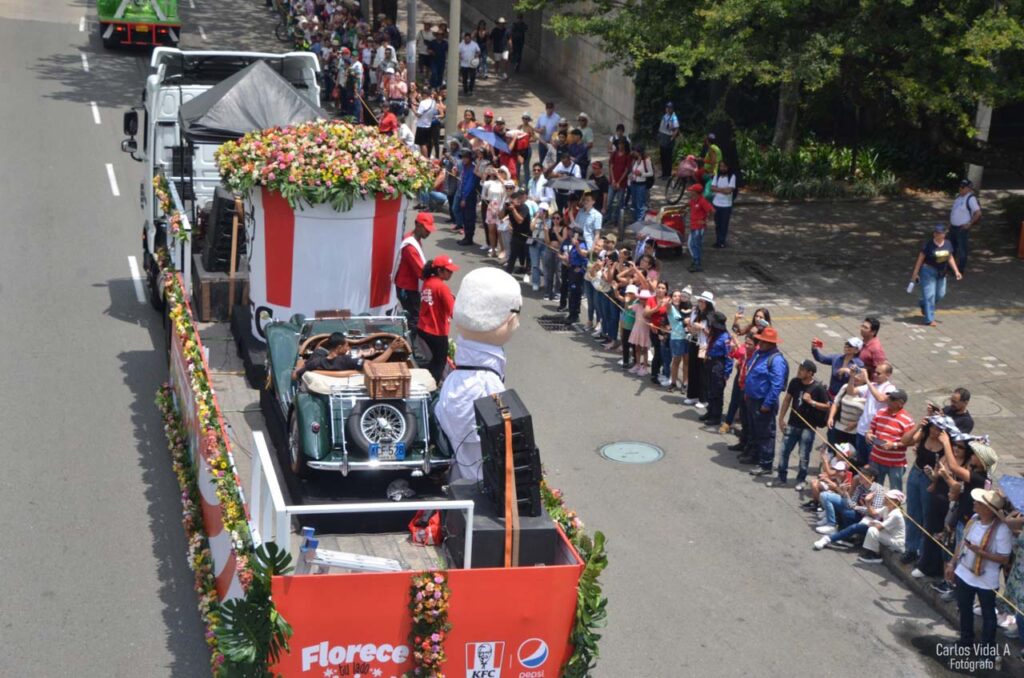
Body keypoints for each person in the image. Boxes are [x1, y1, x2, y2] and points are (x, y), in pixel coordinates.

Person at [946, 489, 1011, 656]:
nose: (974, 503)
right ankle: (965, 641)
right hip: (964, 573)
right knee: (964, 608)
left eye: (979, 503)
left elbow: (1004, 558)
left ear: (989, 510)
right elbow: (962, 544)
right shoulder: (974, 520)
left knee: (989, 615)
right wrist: (952, 564)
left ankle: (987, 650)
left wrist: (980, 552)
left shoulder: (1002, 530)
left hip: (986, 580)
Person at [900, 415, 957, 566]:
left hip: (930, 480)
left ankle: (922, 552)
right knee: (913, 512)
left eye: (938, 428)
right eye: (932, 426)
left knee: (926, 516)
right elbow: (905, 441)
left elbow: (944, 468)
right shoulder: (924, 434)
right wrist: (919, 426)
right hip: (915, 473)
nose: (934, 430)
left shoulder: (946, 447)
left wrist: (934, 478)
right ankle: (910, 549)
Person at [766, 360, 829, 489]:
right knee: (784, 451)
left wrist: (811, 402)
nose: (799, 371)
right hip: (792, 424)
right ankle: (781, 477)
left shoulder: (818, 388)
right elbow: (787, 400)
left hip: (808, 427)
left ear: (810, 373)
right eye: (800, 368)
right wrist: (781, 418)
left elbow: (827, 406)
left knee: (804, 454)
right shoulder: (794, 382)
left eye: (802, 369)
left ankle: (801, 479)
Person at [814, 489, 907, 564]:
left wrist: (873, 523)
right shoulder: (887, 508)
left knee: (872, 530)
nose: (885, 498)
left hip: (895, 541)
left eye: (888, 498)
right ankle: (828, 539)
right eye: (886, 497)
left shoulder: (896, 514)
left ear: (896, 501)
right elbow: (874, 513)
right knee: (857, 527)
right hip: (886, 534)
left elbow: (879, 527)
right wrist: (868, 502)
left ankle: (874, 555)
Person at [742, 327, 789, 476]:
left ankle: (766, 464)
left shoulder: (776, 360)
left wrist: (767, 404)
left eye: (763, 341)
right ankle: (755, 455)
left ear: (770, 343)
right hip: (752, 398)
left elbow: (776, 386)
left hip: (763, 402)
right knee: (755, 430)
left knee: (766, 433)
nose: (760, 342)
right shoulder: (759, 353)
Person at [395, 213, 435, 348]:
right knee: (414, 318)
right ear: (417, 225)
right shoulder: (410, 247)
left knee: (412, 316)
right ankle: (410, 347)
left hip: (407, 285)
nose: (428, 232)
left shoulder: (412, 239)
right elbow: (421, 272)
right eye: (426, 228)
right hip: (408, 287)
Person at [910, 223, 963, 327]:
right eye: (935, 233)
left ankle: (923, 304)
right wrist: (915, 274)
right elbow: (920, 259)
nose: (936, 235)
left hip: (942, 273)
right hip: (928, 271)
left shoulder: (948, 244)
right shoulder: (928, 245)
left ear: (944, 234)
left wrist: (956, 271)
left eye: (939, 233)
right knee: (930, 296)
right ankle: (929, 319)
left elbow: (950, 257)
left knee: (940, 294)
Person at [292, 332, 399, 380]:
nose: (348, 348)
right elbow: (372, 365)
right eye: (347, 345)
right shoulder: (347, 361)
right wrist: (391, 349)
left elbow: (295, 375)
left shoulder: (316, 361)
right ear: (339, 347)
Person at [418, 255, 459, 382]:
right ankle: (432, 389)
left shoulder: (428, 282)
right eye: (448, 270)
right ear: (439, 270)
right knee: (439, 364)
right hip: (437, 331)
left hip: (424, 328)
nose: (451, 273)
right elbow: (453, 311)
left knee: (431, 361)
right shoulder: (442, 287)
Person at [865, 388, 915, 489]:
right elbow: (871, 429)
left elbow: (912, 441)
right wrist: (868, 435)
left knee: (895, 492)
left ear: (900, 403)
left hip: (895, 464)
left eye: (892, 399)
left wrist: (894, 445)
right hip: (876, 459)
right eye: (889, 397)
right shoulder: (880, 413)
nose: (888, 400)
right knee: (874, 490)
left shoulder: (907, 420)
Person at [700, 312, 734, 427]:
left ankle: (716, 416)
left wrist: (727, 373)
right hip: (710, 362)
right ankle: (710, 412)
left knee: (717, 392)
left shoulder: (725, 337)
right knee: (709, 389)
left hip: (718, 365)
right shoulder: (714, 334)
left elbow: (729, 357)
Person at [683, 291, 714, 407]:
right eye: (699, 300)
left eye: (702, 301)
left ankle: (703, 399)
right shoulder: (695, 312)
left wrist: (702, 328)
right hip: (693, 342)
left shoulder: (711, 316)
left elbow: (712, 335)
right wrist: (691, 327)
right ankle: (692, 395)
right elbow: (689, 327)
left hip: (703, 346)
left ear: (707, 304)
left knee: (702, 371)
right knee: (692, 369)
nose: (699, 303)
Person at [948, 178, 982, 273]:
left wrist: (969, 224)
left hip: (962, 228)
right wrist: (950, 223)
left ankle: (960, 270)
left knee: (962, 251)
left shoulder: (971, 198)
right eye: (960, 186)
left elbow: (978, 212)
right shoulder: (958, 198)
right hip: (953, 228)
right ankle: (951, 268)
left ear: (968, 188)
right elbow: (954, 212)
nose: (960, 188)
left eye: (963, 187)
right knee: (951, 249)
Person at [686, 183, 713, 272]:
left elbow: (711, 211)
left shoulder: (702, 201)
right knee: (692, 244)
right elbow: (688, 205)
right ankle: (695, 261)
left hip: (699, 227)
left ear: (696, 192)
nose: (690, 192)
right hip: (693, 225)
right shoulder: (693, 200)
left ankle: (697, 264)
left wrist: (705, 221)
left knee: (696, 245)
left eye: (692, 191)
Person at [710, 159, 737, 248]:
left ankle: (722, 241)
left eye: (724, 166)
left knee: (724, 224)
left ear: (727, 167)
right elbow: (712, 188)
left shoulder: (732, 177)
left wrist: (719, 189)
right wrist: (723, 190)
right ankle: (718, 240)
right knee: (717, 224)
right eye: (721, 166)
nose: (722, 168)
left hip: (726, 205)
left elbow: (729, 191)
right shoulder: (717, 176)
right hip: (716, 203)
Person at [455, 152, 480, 246]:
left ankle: (469, 238)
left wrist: (464, 198)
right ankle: (466, 237)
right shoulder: (465, 168)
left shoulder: (472, 169)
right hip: (463, 195)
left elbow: (469, 185)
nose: (464, 159)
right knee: (465, 217)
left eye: (466, 158)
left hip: (469, 196)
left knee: (469, 218)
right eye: (463, 158)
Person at [606, 138, 631, 232]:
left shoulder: (627, 156)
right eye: (619, 144)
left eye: (622, 144)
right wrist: (613, 179)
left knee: (619, 203)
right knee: (609, 202)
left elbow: (626, 170)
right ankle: (608, 218)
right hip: (612, 181)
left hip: (622, 183)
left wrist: (619, 182)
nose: (620, 145)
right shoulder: (614, 154)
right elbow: (611, 166)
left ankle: (617, 220)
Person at [628, 289, 653, 375]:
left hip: (645, 331)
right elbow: (628, 307)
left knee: (645, 350)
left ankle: (645, 367)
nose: (643, 300)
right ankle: (638, 364)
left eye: (646, 299)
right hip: (636, 330)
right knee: (637, 348)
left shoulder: (649, 309)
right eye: (642, 298)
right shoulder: (637, 305)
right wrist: (629, 300)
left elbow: (651, 318)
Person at [628, 146, 654, 225]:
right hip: (634, 183)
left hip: (641, 185)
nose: (634, 153)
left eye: (635, 151)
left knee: (640, 204)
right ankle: (636, 220)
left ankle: (639, 222)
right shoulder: (635, 160)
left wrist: (641, 174)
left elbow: (651, 173)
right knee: (635, 203)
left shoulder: (647, 161)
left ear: (639, 152)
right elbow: (633, 171)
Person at [657, 102, 679, 178]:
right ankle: (663, 173)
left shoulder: (674, 117)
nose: (668, 109)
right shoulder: (665, 116)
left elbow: (676, 129)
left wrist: (672, 137)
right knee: (662, 156)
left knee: (667, 157)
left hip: (668, 137)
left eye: (670, 108)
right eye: (667, 108)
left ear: (672, 109)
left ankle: (667, 174)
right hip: (663, 136)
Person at [414, 89, 437, 157]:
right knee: (426, 143)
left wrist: (413, 109)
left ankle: (425, 159)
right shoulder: (433, 102)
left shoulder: (423, 103)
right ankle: (426, 158)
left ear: (425, 95)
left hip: (421, 126)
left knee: (422, 144)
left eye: (422, 95)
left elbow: (419, 114)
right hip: (428, 125)